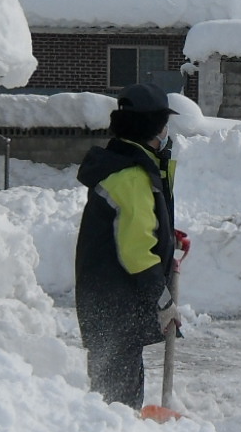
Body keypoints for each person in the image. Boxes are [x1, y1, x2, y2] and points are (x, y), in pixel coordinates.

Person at [74, 84, 178, 410]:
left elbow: (131, 226)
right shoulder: (132, 175)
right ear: (154, 127)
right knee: (117, 403)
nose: (167, 132)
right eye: (165, 124)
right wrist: (163, 300)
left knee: (116, 388)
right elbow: (136, 252)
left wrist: (166, 236)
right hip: (116, 302)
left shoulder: (122, 165)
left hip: (109, 300)